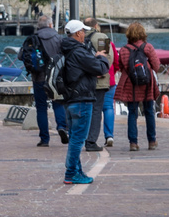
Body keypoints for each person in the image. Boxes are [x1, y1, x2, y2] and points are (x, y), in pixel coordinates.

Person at [58, 20, 108, 185]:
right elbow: (100, 69)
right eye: (83, 32)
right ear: (78, 33)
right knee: (78, 139)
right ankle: (71, 173)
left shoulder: (66, 49)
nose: (85, 35)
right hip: (82, 99)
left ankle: (76, 171)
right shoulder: (78, 51)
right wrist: (102, 58)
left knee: (75, 138)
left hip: (71, 99)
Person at [113, 22, 162, 151]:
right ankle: (152, 141)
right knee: (149, 111)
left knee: (132, 113)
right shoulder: (148, 47)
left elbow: (121, 67)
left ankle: (133, 143)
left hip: (131, 85)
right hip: (147, 84)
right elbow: (156, 66)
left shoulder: (123, 50)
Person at [86, 20, 114, 151]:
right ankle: (91, 141)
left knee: (85, 110)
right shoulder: (101, 37)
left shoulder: (80, 38)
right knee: (96, 111)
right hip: (99, 81)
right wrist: (100, 70)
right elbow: (108, 57)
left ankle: (83, 137)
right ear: (96, 25)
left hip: (83, 80)